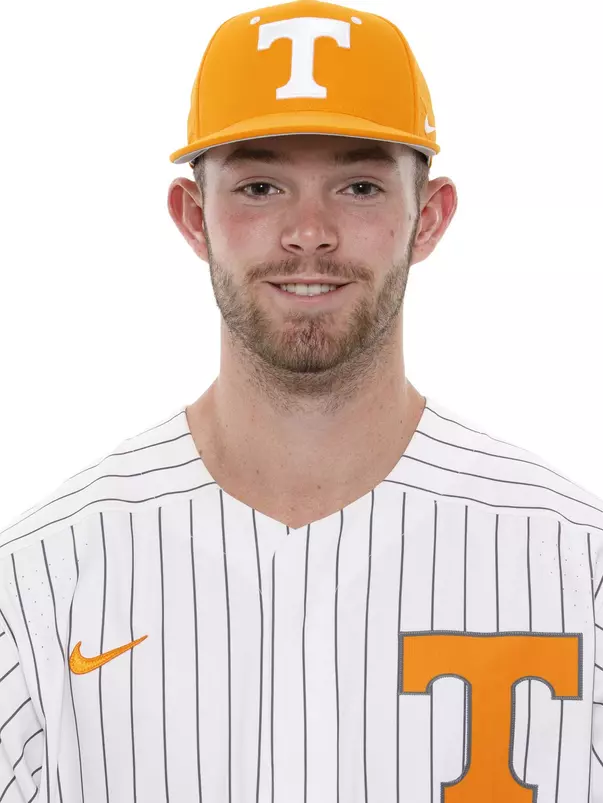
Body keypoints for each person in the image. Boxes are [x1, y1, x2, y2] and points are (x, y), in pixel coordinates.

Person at [1, 0, 602, 800]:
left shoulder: (573, 562)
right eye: (258, 185)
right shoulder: (44, 577)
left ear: (428, 218)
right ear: (193, 217)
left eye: (357, 185)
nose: (308, 232)